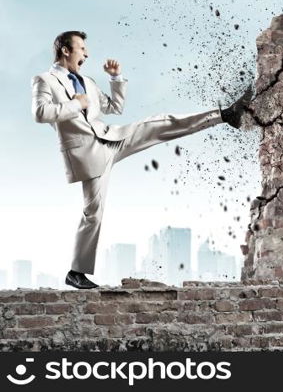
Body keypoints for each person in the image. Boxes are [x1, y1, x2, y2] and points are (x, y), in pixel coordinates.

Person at [31, 30, 252, 289]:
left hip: (111, 138)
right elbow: (40, 113)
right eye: (81, 48)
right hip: (86, 153)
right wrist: (75, 105)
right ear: (65, 50)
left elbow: (114, 107)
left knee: (158, 124)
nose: (87, 53)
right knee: (93, 213)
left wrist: (115, 78)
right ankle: (76, 272)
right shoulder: (45, 80)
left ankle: (225, 115)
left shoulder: (87, 82)